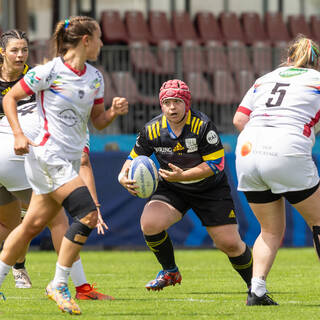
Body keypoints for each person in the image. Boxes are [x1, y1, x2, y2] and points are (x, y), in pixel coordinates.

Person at [0, 16, 128, 315]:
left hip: (56, 159)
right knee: (85, 215)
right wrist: (19, 133)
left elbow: (97, 122)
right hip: (45, 156)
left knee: (28, 224)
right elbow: (12, 99)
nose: (102, 43)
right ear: (86, 40)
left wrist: (112, 112)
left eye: (24, 49)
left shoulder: (95, 77)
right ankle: (61, 285)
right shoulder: (48, 71)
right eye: (98, 37)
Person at [118, 79, 253, 293]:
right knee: (150, 223)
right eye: (167, 102)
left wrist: (185, 175)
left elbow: (217, 164)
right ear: (161, 105)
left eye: (177, 102)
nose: (172, 107)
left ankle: (255, 286)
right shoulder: (151, 129)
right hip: (173, 188)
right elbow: (133, 157)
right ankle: (170, 271)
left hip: (209, 189)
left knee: (229, 244)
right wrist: (121, 176)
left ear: (187, 103)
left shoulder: (202, 125)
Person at [233, 35, 320, 306]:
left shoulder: (265, 79)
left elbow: (239, 119)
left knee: (269, 230)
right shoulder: (317, 81)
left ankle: (256, 290)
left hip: (247, 149)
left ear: (289, 58)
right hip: (286, 148)